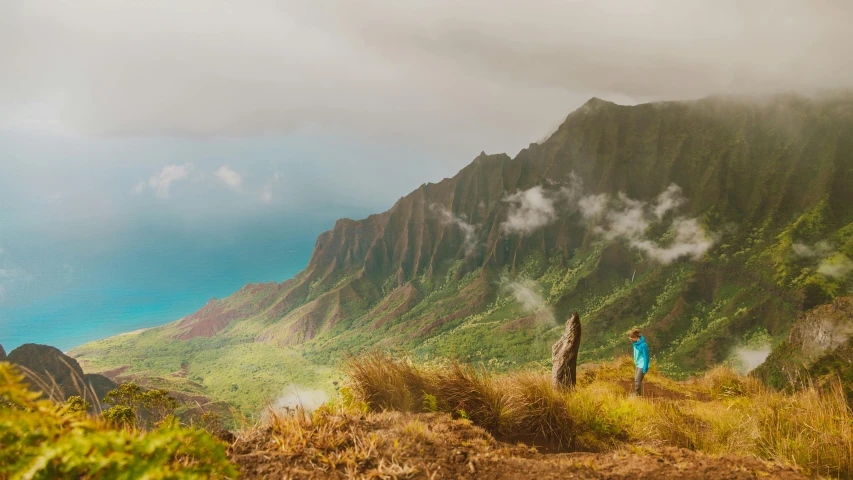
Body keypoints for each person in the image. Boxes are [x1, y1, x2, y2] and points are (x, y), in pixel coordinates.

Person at [552, 312, 582, 389]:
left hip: (563, 371)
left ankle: (564, 390)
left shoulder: (572, 335)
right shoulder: (564, 342)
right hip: (559, 370)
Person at [628, 328, 649, 396]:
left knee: (637, 380)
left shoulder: (643, 345)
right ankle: (637, 393)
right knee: (636, 379)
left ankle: (638, 394)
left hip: (642, 365)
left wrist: (645, 367)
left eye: (631, 338)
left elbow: (646, 357)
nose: (630, 339)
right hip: (638, 364)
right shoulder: (635, 343)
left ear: (636, 337)